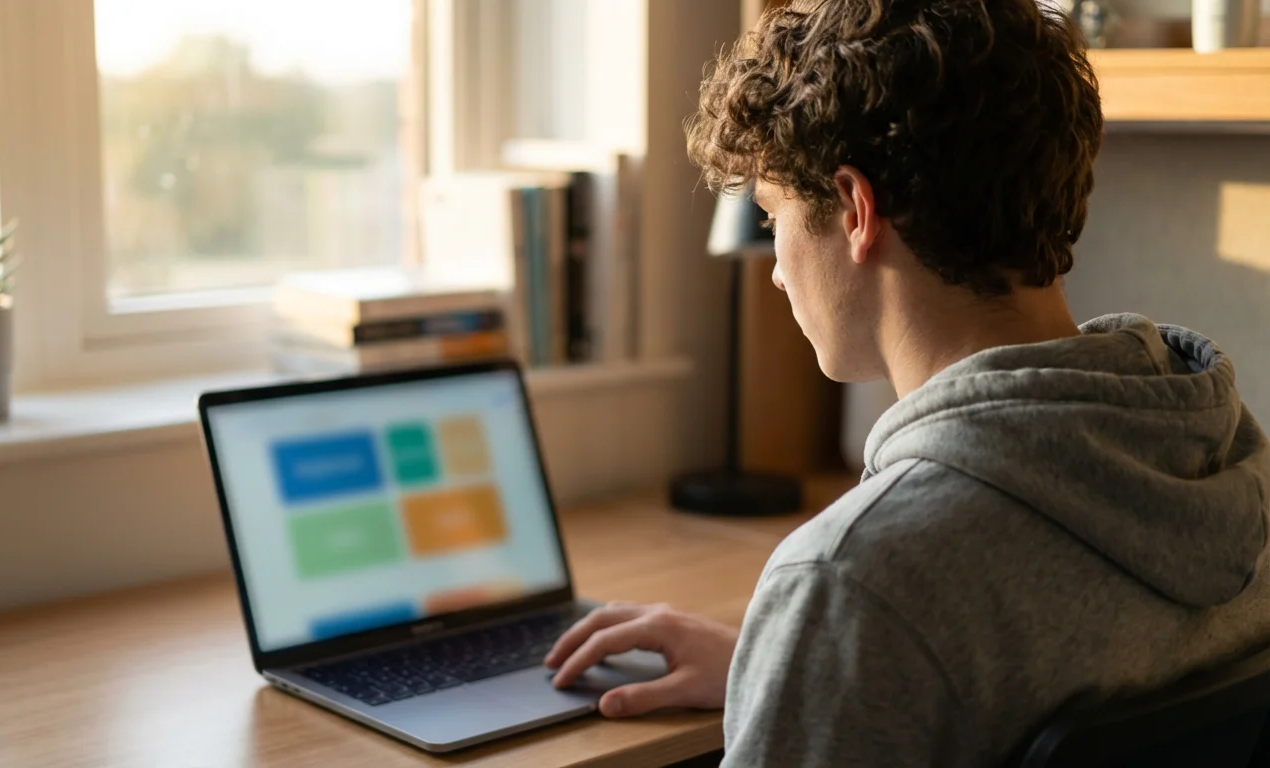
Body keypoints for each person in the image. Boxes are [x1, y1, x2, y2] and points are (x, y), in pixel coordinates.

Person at [544, 0, 1270, 764]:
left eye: (773, 216)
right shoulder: (1228, 462)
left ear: (857, 210)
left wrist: (826, 636)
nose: (780, 275)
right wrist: (793, 672)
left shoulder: (854, 580)